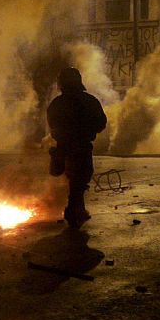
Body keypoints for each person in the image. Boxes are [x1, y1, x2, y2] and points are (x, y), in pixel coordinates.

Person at [46, 67, 107, 228]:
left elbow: (53, 126)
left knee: (73, 179)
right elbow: (101, 123)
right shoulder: (89, 101)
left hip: (63, 148)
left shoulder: (56, 104)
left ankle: (76, 209)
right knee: (80, 178)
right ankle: (74, 209)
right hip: (81, 147)